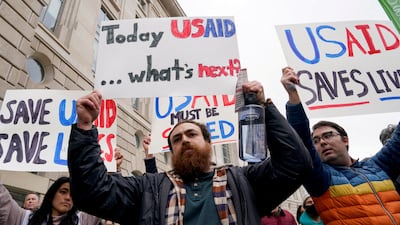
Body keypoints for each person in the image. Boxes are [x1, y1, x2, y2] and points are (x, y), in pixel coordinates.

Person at [67, 81, 312, 225]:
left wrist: (264, 107)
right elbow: (93, 192)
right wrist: (85, 127)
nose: (184, 139)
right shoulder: (148, 188)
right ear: (171, 150)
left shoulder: (242, 180)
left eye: (191, 134)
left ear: (208, 143)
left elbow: (295, 164)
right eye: (177, 139)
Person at [281, 66, 400, 224]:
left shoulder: (377, 166)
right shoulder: (321, 178)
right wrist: (294, 97)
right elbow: (301, 141)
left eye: (328, 136)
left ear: (345, 140)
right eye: (315, 141)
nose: (322, 142)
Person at [0, 176, 101, 225]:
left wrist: (114, 168)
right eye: (63, 192)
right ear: (52, 194)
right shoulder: (23, 217)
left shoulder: (82, 221)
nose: (68, 198)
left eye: (73, 195)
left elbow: (104, 194)